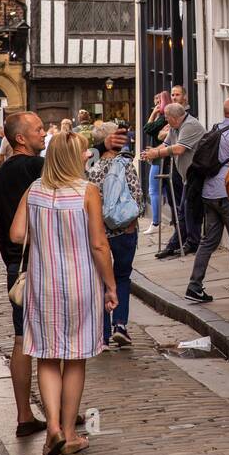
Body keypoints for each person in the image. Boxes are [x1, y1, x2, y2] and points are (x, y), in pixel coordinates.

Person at [9, 132, 117, 455]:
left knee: (47, 356)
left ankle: (52, 428)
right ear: (74, 158)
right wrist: (111, 286)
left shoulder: (35, 190)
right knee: (74, 358)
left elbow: (16, 234)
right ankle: (68, 434)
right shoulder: (88, 192)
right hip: (80, 285)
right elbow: (99, 244)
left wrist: (45, 230)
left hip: (43, 287)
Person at [0, 112, 48, 438]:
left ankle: (24, 415)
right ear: (21, 138)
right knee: (55, 342)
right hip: (44, 264)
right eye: (38, 129)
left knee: (21, 340)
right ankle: (60, 415)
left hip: (15, 268)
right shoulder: (38, 170)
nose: (44, 133)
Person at [184, 97, 229, 305]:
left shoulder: (213, 130)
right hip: (228, 193)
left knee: (208, 241)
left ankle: (194, 286)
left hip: (208, 193)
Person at [87, 123, 143, 349]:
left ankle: (103, 334)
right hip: (123, 230)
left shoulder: (92, 167)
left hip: (98, 232)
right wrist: (131, 222)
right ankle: (120, 324)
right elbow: (136, 197)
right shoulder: (125, 164)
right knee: (122, 276)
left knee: (101, 280)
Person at [143, 102, 206, 257]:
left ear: (174, 117)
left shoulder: (190, 125)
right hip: (187, 176)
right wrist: (150, 152)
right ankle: (181, 243)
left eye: (167, 118)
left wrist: (157, 154)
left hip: (197, 174)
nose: (165, 121)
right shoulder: (175, 127)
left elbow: (179, 149)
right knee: (184, 210)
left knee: (188, 210)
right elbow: (165, 144)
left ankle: (189, 243)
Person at [142, 91, 171, 234]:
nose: (156, 105)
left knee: (153, 190)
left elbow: (147, 128)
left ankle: (156, 222)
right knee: (162, 190)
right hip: (158, 156)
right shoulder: (164, 118)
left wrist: (153, 113)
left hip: (160, 158)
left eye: (159, 102)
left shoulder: (163, 118)